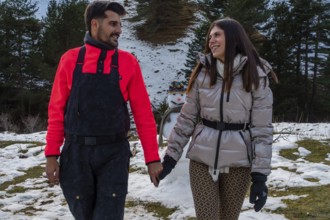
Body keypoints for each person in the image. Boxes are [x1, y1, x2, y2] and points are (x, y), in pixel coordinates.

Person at [44, 1, 162, 219]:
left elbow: (143, 115)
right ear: (95, 24)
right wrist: (52, 154)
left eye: (119, 24)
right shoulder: (70, 60)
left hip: (114, 154)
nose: (119, 30)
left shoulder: (128, 62)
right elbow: (56, 111)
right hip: (76, 154)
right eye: (113, 23)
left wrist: (152, 158)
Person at [158, 17, 278, 219]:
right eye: (210, 36)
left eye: (217, 35)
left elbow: (262, 129)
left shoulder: (256, 76)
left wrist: (260, 177)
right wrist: (170, 158)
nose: (211, 40)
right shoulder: (203, 73)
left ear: (233, 39)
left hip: (238, 162)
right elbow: (186, 119)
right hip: (201, 160)